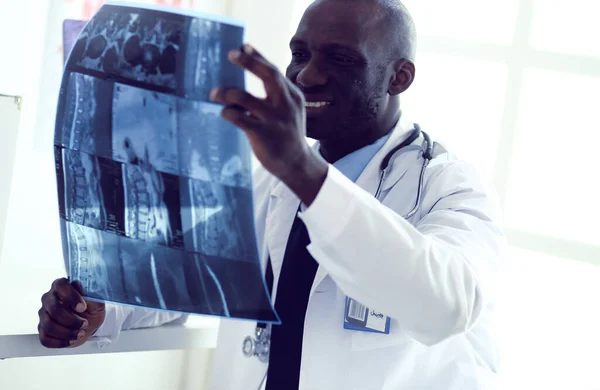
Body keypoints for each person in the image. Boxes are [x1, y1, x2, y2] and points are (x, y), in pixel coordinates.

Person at [37, 0, 506, 388]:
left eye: (340, 59)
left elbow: (447, 307)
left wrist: (304, 170)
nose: (306, 77)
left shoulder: (448, 186)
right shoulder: (270, 179)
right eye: (299, 53)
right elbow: (180, 274)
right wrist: (96, 310)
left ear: (399, 77)